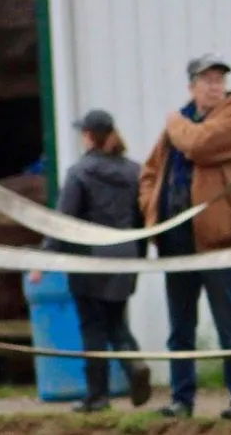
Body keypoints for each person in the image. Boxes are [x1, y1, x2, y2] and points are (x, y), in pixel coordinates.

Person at [139, 54, 231, 419]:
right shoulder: (178, 126)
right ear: (192, 86)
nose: (215, 86)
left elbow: (198, 144)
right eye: (207, 80)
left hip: (218, 240)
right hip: (176, 241)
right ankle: (181, 400)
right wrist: (150, 205)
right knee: (180, 327)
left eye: (219, 79)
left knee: (228, 324)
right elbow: (149, 171)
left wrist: (174, 120)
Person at [30, 109, 151, 413]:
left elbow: (64, 221)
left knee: (92, 326)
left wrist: (44, 259)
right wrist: (139, 256)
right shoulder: (134, 171)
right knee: (116, 321)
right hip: (125, 254)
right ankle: (134, 364)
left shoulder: (79, 172)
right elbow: (142, 219)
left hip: (90, 258)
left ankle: (97, 396)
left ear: (87, 137)